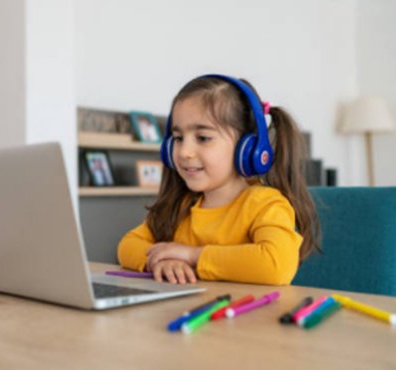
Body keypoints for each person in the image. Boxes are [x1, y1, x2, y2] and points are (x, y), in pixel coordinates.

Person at [118, 74, 320, 285]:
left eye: (203, 138)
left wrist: (191, 255)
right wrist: (158, 262)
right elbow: (128, 245)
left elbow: (276, 265)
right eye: (178, 138)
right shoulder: (179, 206)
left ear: (248, 148)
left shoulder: (265, 205)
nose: (184, 151)